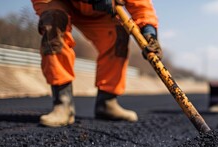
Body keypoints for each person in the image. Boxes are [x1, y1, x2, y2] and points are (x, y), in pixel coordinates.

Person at [31, 0, 162, 127]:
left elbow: (141, 5)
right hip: (56, 2)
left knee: (118, 33)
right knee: (53, 25)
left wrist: (149, 32)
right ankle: (62, 103)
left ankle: (107, 102)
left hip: (99, 10)